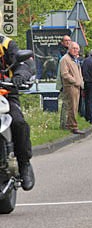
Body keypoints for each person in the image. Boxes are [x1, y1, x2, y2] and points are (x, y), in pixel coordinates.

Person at [0, 33, 36, 191]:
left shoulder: (5, 44)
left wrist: (20, 75)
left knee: (18, 122)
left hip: (4, 92)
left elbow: (23, 64)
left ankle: (24, 164)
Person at [60, 42, 84, 135]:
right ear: (69, 48)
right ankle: (73, 126)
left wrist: (80, 82)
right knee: (72, 106)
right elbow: (64, 74)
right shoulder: (65, 59)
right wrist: (74, 81)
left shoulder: (75, 59)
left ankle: (72, 125)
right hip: (70, 86)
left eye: (77, 48)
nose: (75, 50)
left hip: (77, 86)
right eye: (73, 48)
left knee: (75, 107)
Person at [56, 34, 71, 129]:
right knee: (65, 103)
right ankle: (64, 124)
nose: (68, 42)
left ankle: (67, 123)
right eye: (66, 41)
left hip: (69, 82)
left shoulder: (70, 53)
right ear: (62, 42)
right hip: (64, 82)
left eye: (69, 40)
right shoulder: (61, 54)